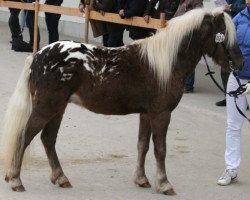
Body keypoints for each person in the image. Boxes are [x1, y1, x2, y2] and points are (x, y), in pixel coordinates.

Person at [217, 0, 250, 186]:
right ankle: (231, 169)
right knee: (233, 125)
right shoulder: (239, 17)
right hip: (236, 78)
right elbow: (228, 41)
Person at [215, 0, 246, 106]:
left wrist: (232, 7)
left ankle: (243, 99)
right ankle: (228, 96)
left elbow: (244, 7)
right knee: (225, 69)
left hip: (242, 36)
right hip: (229, 30)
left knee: (243, 70)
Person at [173, 0, 203, 93]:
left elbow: (198, 14)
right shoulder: (182, 1)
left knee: (187, 60)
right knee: (180, 60)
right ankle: (181, 84)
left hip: (189, 35)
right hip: (180, 33)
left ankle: (188, 86)